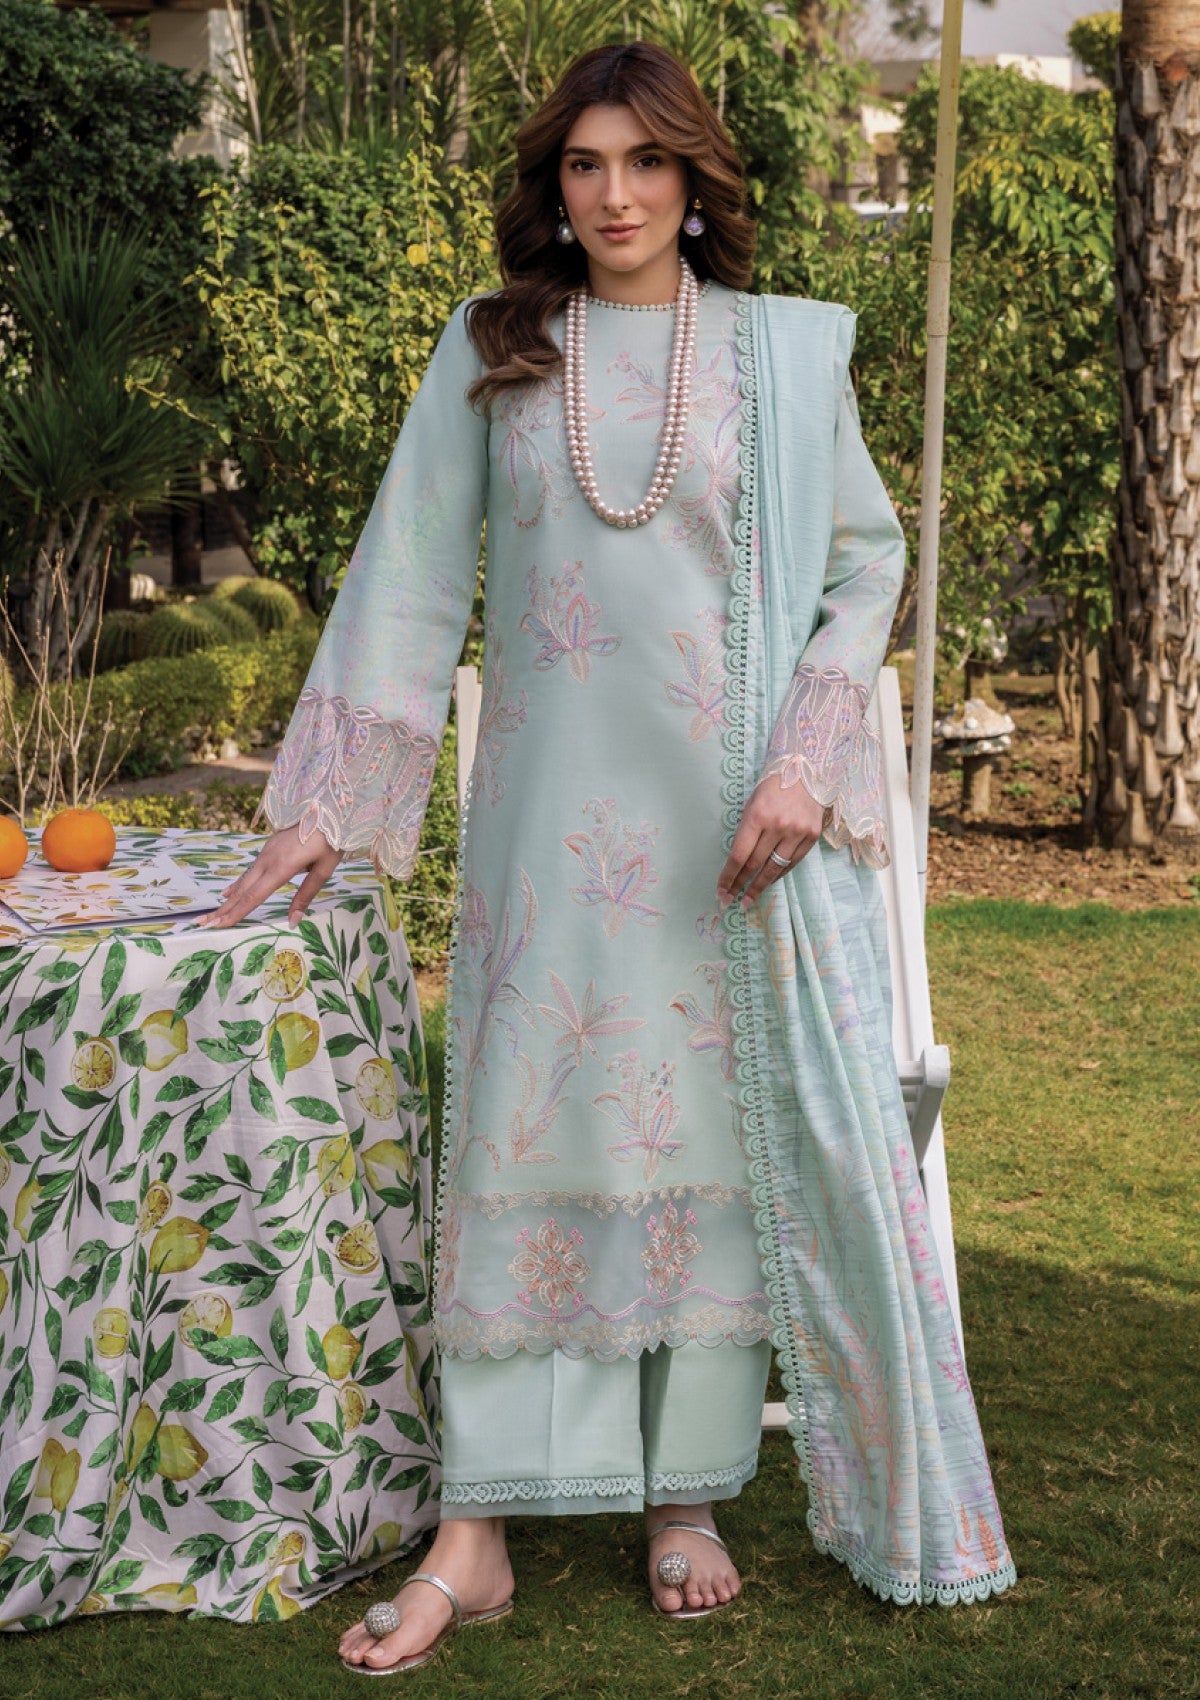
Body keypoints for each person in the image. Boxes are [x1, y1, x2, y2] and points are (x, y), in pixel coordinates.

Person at [202, 41, 1016, 1674]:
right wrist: (326, 802)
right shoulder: (498, 347)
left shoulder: (783, 357)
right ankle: (481, 1529)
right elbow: (408, 574)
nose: (616, 194)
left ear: (696, 182)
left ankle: (682, 1495)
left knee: (703, 1137)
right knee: (532, 1124)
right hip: (545, 840)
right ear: (553, 185)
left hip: (732, 840)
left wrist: (805, 765)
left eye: (646, 162)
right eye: (585, 164)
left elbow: (867, 567)